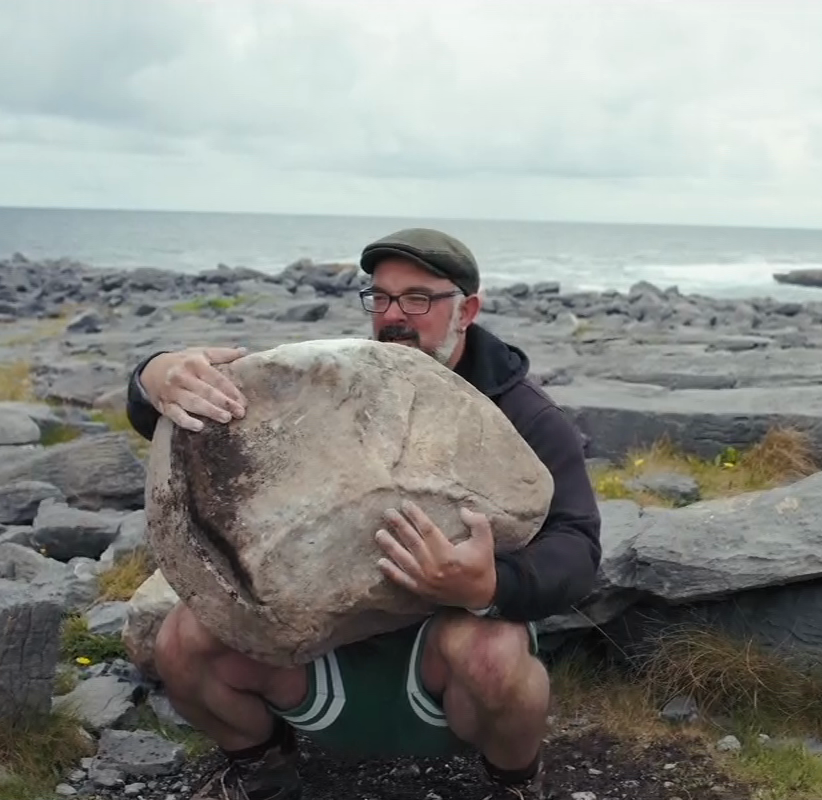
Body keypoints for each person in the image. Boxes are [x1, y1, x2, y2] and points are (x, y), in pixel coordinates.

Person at [123, 227, 603, 800]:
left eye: (418, 298)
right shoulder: (342, 379)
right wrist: (151, 377)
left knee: (496, 654)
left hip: (443, 659)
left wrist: (491, 583)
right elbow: (202, 422)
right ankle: (260, 767)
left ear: (467, 309)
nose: (394, 315)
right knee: (179, 639)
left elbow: (578, 547)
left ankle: (515, 782)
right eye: (381, 297)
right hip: (322, 646)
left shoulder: (524, 414)